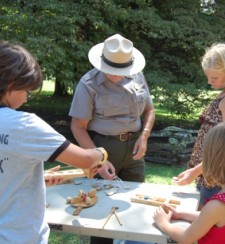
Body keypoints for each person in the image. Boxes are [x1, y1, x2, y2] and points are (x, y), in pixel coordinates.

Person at [0, 40, 109, 244]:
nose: (26, 99)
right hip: (15, 237)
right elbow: (86, 160)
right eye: (27, 92)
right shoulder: (23, 124)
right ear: (11, 84)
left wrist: (33, 178)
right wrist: (101, 153)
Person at [69, 34, 155, 244]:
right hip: (103, 147)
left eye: (122, 70)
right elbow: (78, 127)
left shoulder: (138, 75)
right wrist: (98, 159)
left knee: (136, 209)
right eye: (112, 70)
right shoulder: (88, 83)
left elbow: (150, 110)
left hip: (134, 149)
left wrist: (143, 137)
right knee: (101, 214)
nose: (117, 75)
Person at [154, 121, 225, 244]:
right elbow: (212, 218)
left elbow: (186, 237)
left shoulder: (218, 205)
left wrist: (163, 223)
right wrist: (180, 214)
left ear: (212, 160)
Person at [173, 43, 225, 208]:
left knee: (207, 224)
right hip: (209, 170)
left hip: (217, 176)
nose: (209, 81)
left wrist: (194, 172)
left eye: (214, 78)